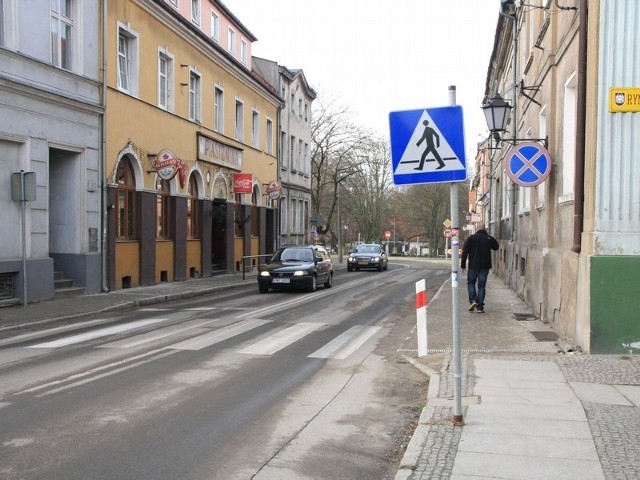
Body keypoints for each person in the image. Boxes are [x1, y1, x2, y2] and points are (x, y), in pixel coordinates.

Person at [460, 223, 499, 313]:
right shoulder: (489, 238)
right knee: (481, 286)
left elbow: (465, 252)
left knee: (471, 283)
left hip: (473, 266)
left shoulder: (471, 238)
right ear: (485, 229)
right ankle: (480, 307)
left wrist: (463, 265)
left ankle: (473, 301)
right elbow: (496, 247)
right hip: (485, 267)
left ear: (477, 229)